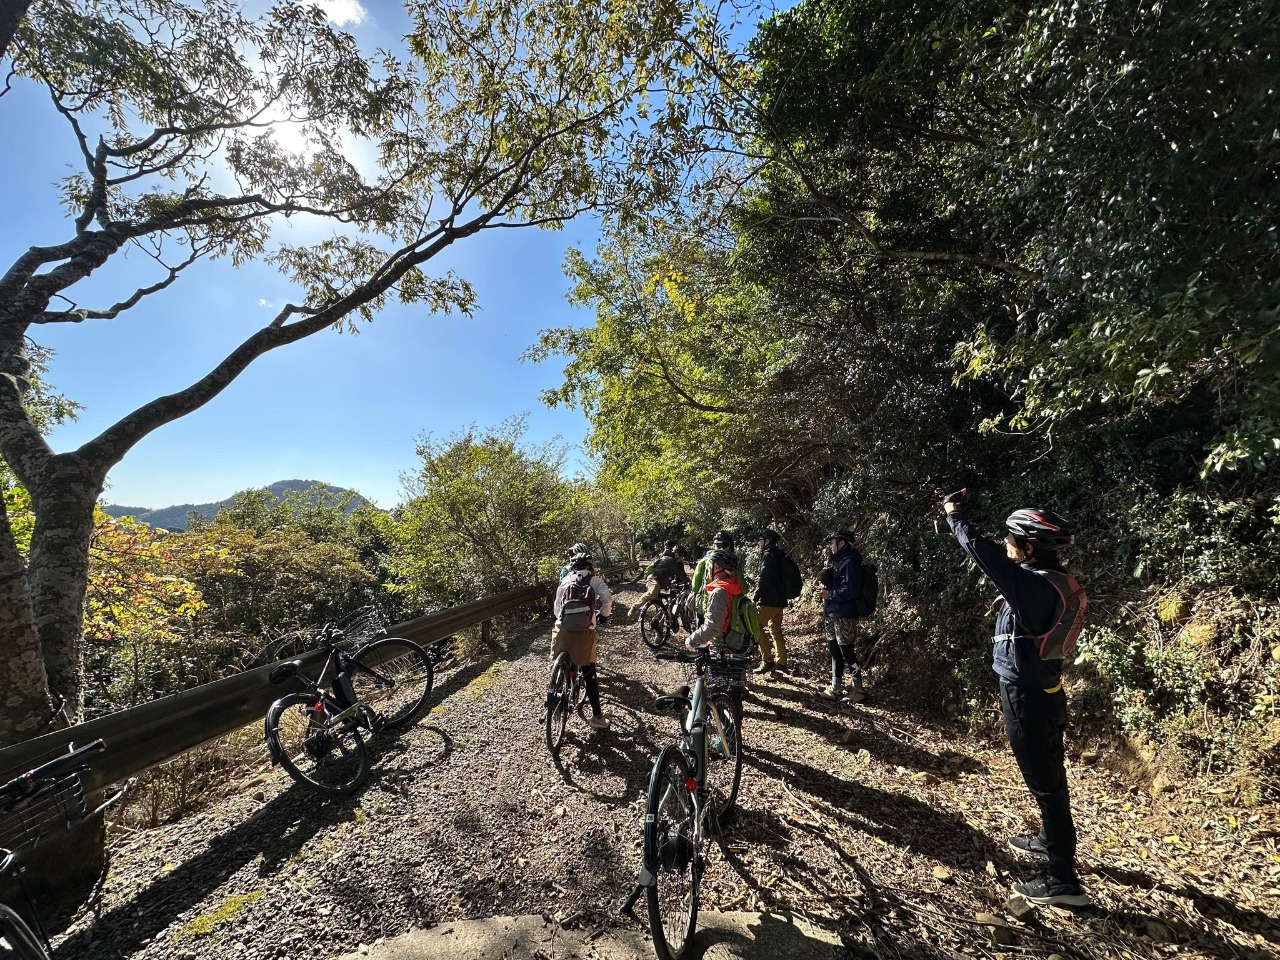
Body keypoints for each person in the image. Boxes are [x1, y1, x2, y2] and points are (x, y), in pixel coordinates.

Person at [943, 494, 1090, 907]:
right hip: (1044, 688)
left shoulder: (1031, 586)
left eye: (1011, 540)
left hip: (1027, 696)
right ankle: (1048, 839)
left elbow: (980, 551)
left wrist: (955, 517)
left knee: (1045, 784)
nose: (1006, 545)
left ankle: (1063, 879)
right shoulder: (1053, 580)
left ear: (1027, 548)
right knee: (1049, 773)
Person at [551, 551, 614, 730]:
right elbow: (607, 600)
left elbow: (557, 609)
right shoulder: (595, 580)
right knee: (589, 672)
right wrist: (602, 616)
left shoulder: (565, 580)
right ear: (590, 566)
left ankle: (557, 695)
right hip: (584, 632)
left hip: (562, 630)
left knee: (563, 663)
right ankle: (597, 718)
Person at [816, 530, 869, 702]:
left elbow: (850, 590)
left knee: (847, 652)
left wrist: (829, 595)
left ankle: (858, 689)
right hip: (833, 612)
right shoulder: (840, 562)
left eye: (832, 543)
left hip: (845, 613)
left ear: (842, 543)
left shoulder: (850, 563)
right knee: (834, 650)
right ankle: (835, 687)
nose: (830, 546)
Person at [683, 549, 746, 651]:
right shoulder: (734, 586)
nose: (708, 569)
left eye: (710, 566)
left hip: (721, 646)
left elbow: (713, 627)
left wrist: (691, 641)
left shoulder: (719, 592)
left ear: (717, 567)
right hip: (734, 642)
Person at [752, 529, 790, 675]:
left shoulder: (768, 555)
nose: (759, 542)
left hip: (769, 600)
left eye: (761, 540)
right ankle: (781, 662)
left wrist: (756, 597)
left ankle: (767, 660)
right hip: (780, 600)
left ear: (767, 541)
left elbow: (764, 579)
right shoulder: (780, 554)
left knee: (757, 626)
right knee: (776, 630)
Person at [688, 529, 736, 624]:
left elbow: (695, 585)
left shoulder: (704, 561)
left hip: (703, 605)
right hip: (728, 606)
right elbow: (743, 587)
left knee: (703, 632)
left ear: (714, 545)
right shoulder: (732, 562)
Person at [633, 541, 690, 611]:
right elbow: (679, 573)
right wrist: (689, 581)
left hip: (661, 582)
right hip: (654, 580)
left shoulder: (668, 559)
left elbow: (665, 574)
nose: (681, 560)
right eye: (681, 558)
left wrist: (670, 583)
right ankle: (635, 606)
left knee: (664, 605)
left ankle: (664, 617)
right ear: (677, 555)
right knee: (652, 593)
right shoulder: (670, 561)